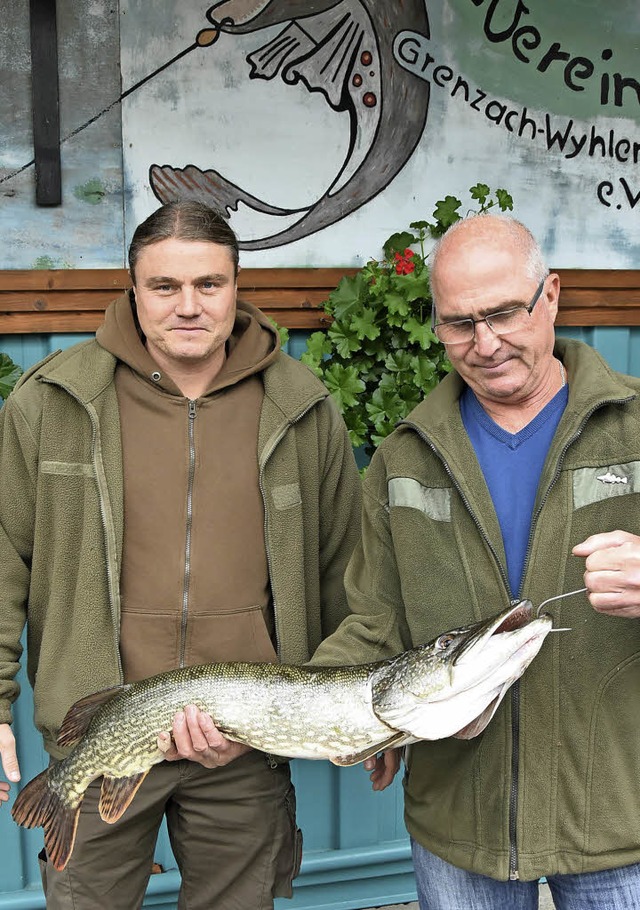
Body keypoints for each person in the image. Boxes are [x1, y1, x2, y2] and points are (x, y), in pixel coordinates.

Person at [0, 201, 362, 909]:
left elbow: (346, 574)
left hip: (245, 743)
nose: (188, 305)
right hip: (100, 734)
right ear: (133, 289)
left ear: (236, 285)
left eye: (209, 284)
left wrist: (366, 722)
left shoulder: (302, 406)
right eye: (165, 286)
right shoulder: (54, 402)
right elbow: (3, 559)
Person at [312, 214, 640, 909]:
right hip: (459, 825)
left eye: (501, 313)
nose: (484, 344)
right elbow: (376, 621)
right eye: (459, 323)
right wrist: (328, 707)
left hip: (621, 821)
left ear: (550, 295)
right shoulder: (404, 457)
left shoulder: (634, 424)